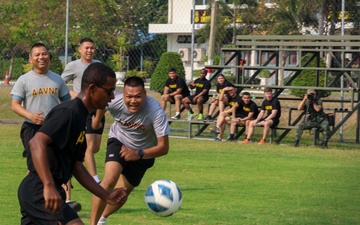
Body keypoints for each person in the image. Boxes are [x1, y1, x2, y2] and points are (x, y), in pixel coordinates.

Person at [18, 63, 127, 225]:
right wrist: (48, 186)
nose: (112, 97)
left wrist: (105, 195)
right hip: (39, 191)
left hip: (50, 190)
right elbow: (36, 142)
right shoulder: (69, 112)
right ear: (92, 89)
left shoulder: (81, 116)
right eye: (109, 91)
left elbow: (77, 166)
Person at [90, 76, 170, 225]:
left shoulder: (156, 112)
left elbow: (164, 147)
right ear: (123, 94)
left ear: (145, 95)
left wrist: (139, 153)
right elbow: (101, 103)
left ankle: (102, 219)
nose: (133, 101)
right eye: (129, 96)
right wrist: (97, 119)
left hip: (143, 153)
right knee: (109, 179)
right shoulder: (115, 101)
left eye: (138, 96)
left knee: (122, 194)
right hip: (119, 141)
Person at [61, 37, 102, 211]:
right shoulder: (73, 66)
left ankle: (82, 178)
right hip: (82, 110)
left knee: (93, 149)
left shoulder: (99, 66)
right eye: (86, 48)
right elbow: (60, 83)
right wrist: (73, 95)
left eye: (92, 48)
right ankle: (96, 182)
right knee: (88, 149)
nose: (89, 51)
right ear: (80, 49)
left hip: (98, 110)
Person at [10, 43, 71, 158]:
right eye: (37, 55)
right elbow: (15, 105)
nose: (41, 57)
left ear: (49, 56)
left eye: (44, 54)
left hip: (55, 127)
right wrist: (31, 116)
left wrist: (62, 119)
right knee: (34, 164)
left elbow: (67, 103)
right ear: (30, 59)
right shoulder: (24, 80)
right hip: (32, 127)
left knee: (54, 163)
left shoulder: (58, 79)